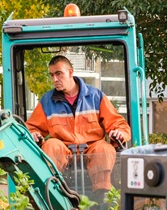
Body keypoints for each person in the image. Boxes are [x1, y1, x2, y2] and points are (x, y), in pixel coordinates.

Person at [26, 55, 131, 195]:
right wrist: (33, 134)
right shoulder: (47, 101)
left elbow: (119, 124)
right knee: (51, 145)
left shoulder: (96, 97)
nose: (54, 79)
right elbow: (31, 127)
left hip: (92, 149)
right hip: (64, 150)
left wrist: (119, 133)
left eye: (58, 74)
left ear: (70, 72)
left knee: (104, 148)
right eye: (51, 75)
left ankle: (102, 196)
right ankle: (52, 193)